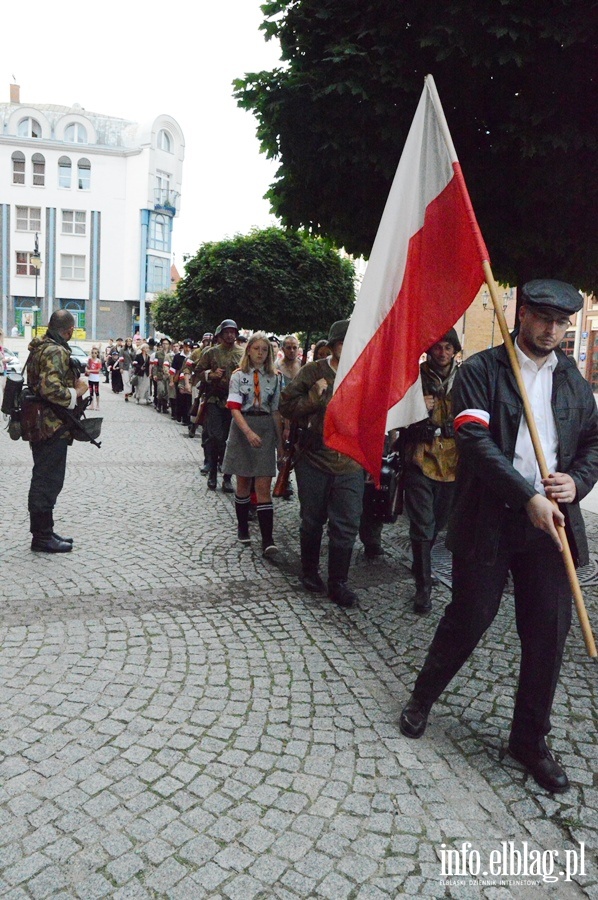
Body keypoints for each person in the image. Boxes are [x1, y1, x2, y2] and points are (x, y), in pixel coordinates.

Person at [399, 280, 598, 794]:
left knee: (548, 635)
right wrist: (524, 495)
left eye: (562, 323)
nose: (552, 331)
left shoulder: (572, 377)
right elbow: (473, 440)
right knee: (468, 618)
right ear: (522, 313)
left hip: (551, 523)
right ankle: (422, 697)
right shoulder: (483, 370)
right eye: (543, 319)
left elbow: (594, 442)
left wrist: (576, 481)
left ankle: (530, 740)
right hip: (493, 517)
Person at [280, 319, 365, 609]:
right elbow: (286, 406)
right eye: (342, 343)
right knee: (312, 519)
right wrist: (313, 399)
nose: (347, 347)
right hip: (315, 458)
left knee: (347, 524)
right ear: (332, 346)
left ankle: (338, 582)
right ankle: (309, 570)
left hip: (351, 461)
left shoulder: (363, 371)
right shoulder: (313, 371)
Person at [401, 328, 461, 613]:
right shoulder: (413, 378)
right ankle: (423, 587)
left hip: (452, 462)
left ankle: (420, 561)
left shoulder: (464, 379)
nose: (443, 353)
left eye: (448, 348)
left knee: (438, 521)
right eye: (438, 347)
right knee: (423, 523)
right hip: (419, 457)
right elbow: (394, 414)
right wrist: (414, 408)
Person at [25, 309, 88, 553]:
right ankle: (41, 537)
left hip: (43, 423)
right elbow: (50, 390)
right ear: (70, 330)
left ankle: (46, 530)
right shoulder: (55, 350)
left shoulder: (41, 346)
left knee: (46, 476)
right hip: (50, 425)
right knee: (47, 479)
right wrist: (77, 392)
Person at [223, 332, 283, 556]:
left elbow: (276, 411)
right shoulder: (239, 376)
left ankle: (268, 539)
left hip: (265, 427)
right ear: (248, 350)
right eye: (256, 348)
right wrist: (247, 432)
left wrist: (281, 444)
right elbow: (234, 407)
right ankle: (242, 527)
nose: (260, 353)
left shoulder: (275, 377)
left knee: (264, 485)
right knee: (243, 481)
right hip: (242, 427)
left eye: (264, 349)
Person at [194, 319, 244, 491]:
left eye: (233, 332)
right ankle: (213, 473)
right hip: (216, 399)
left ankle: (228, 477)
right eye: (227, 332)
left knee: (232, 441)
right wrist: (211, 374)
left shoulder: (243, 353)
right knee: (215, 437)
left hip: (236, 402)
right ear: (220, 335)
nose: (230, 335)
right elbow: (198, 371)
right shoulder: (211, 352)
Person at [85, 346, 102, 411]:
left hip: (96, 378)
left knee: (97, 391)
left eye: (95, 353)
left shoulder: (98, 361)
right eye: (92, 353)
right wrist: (87, 370)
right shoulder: (89, 360)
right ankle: (91, 405)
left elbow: (98, 370)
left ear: (97, 354)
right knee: (91, 392)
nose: (94, 354)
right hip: (90, 378)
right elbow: (87, 367)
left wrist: (90, 371)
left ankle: (97, 405)